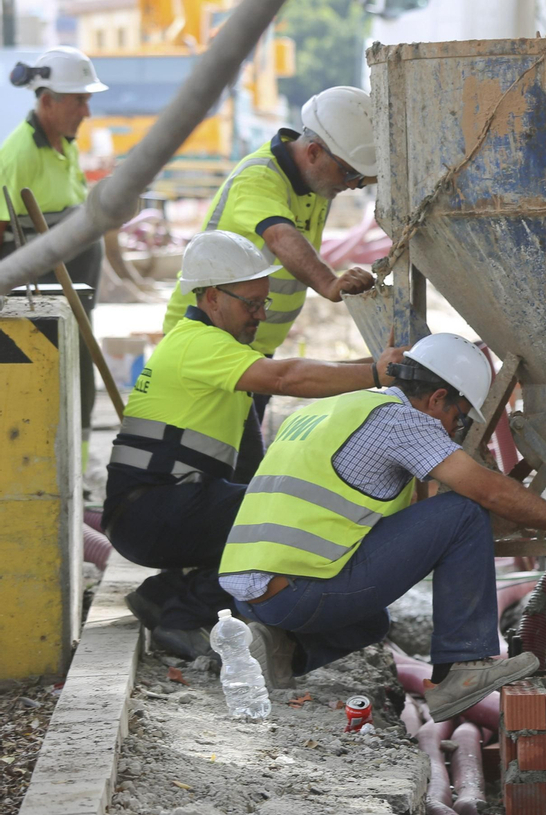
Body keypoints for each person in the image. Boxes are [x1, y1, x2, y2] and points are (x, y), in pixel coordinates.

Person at [219, 333, 546, 719]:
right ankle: (460, 668)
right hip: (300, 592)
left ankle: (275, 647)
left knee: (372, 622)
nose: (456, 430)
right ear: (437, 398)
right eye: (461, 418)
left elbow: (404, 522)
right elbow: (485, 493)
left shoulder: (329, 409)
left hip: (251, 595)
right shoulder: (402, 421)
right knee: (463, 511)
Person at [106, 231, 407, 657]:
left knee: (257, 505)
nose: (261, 315)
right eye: (251, 303)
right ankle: (185, 616)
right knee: (274, 519)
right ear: (212, 298)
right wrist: (377, 376)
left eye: (263, 302)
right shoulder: (199, 344)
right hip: (150, 514)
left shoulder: (207, 347)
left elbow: (293, 372)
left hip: (151, 511)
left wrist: (376, 367)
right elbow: (287, 377)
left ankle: (163, 594)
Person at [163, 86, 382, 480]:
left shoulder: (315, 182)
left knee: (234, 470)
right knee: (229, 472)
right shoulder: (259, 178)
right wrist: (329, 284)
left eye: (359, 180)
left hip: (250, 344)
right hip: (206, 340)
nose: (351, 185)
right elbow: (281, 238)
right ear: (313, 152)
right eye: (348, 173)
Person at [1, 47, 108, 434]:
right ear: (48, 101)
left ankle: (79, 478)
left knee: (80, 381)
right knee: (46, 391)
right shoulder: (19, 155)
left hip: (74, 298)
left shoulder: (67, 144)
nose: (87, 112)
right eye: (80, 100)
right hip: (40, 303)